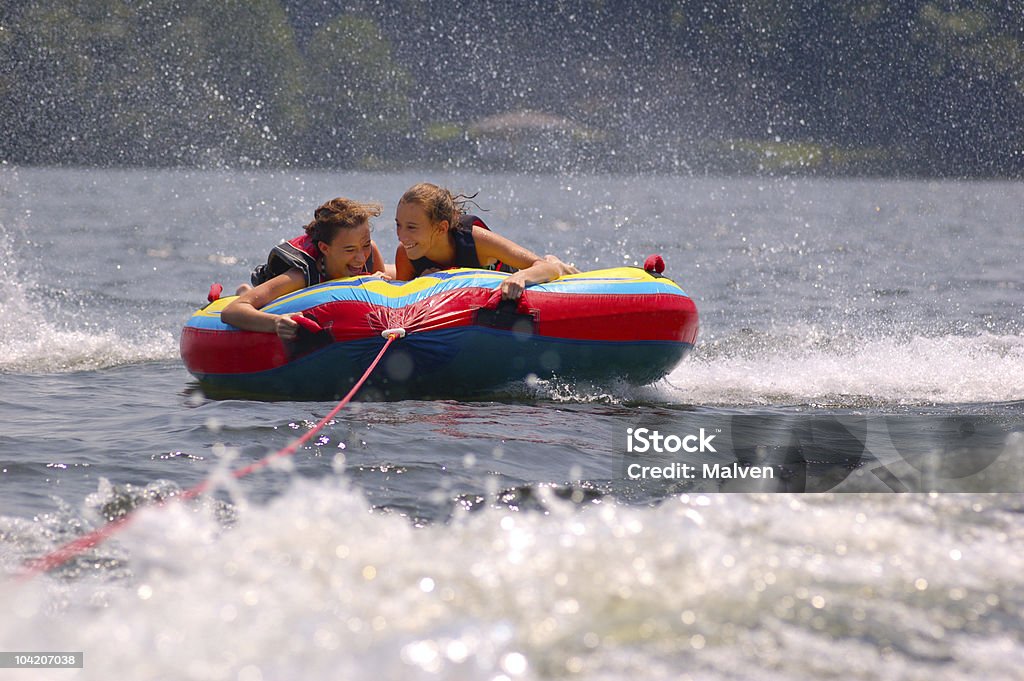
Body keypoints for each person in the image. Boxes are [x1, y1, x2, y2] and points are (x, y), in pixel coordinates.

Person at [222, 197, 389, 340]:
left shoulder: (370, 253)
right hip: (273, 290)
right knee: (255, 298)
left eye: (365, 245)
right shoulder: (300, 276)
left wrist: (377, 284)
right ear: (325, 248)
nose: (360, 258)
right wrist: (276, 322)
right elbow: (231, 311)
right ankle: (245, 291)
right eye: (350, 250)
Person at [393, 182, 578, 300]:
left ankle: (559, 262)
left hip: (513, 277)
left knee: (554, 267)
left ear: (441, 228)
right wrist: (421, 283)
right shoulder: (405, 254)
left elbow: (543, 266)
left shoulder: (474, 240)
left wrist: (520, 277)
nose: (401, 235)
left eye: (411, 227)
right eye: (398, 225)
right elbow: (400, 302)